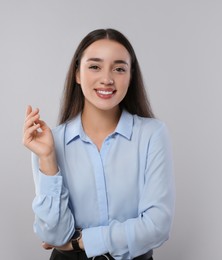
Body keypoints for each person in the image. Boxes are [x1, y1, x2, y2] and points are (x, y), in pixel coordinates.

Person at [22, 28, 175, 260]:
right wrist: (47, 159)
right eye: (94, 66)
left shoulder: (152, 134)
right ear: (77, 74)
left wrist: (81, 241)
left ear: (131, 76)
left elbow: (157, 227)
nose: (107, 78)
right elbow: (54, 235)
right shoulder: (50, 142)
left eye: (119, 68)